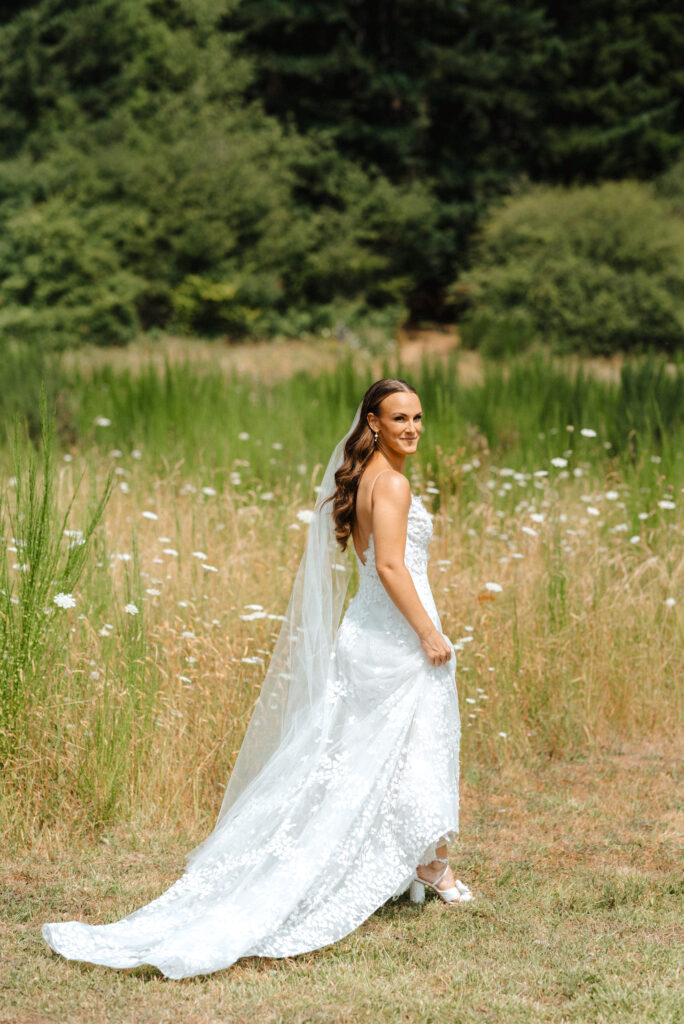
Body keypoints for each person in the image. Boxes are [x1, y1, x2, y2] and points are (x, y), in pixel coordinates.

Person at [42, 378, 471, 980]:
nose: (413, 429)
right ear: (372, 422)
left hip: (366, 630)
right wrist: (429, 633)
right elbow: (394, 566)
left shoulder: (367, 477)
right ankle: (431, 868)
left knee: (364, 755)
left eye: (419, 418)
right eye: (399, 418)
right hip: (397, 635)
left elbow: (371, 563)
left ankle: (428, 866)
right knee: (409, 746)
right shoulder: (394, 482)